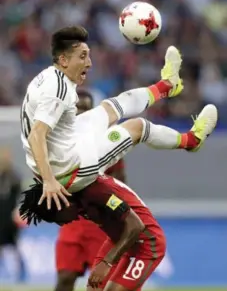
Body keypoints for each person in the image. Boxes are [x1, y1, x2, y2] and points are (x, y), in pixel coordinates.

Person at [20, 25, 218, 211]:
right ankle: (191, 140)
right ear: (63, 60)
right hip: (70, 170)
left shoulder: (49, 76)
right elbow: (36, 135)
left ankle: (167, 86)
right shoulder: (58, 90)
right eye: (82, 57)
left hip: (62, 148)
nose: (89, 63)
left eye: (88, 55)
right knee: (137, 126)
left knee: (111, 106)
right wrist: (49, 181)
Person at [32, 91, 159, 291]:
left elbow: (120, 184)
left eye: (85, 108)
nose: (80, 112)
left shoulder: (105, 141)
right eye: (76, 108)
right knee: (63, 281)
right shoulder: (58, 141)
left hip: (98, 219)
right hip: (73, 219)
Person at [0, 148, 27, 284]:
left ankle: (21, 275)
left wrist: (19, 212)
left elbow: (21, 197)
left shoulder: (14, 177)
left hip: (10, 220)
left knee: (14, 247)